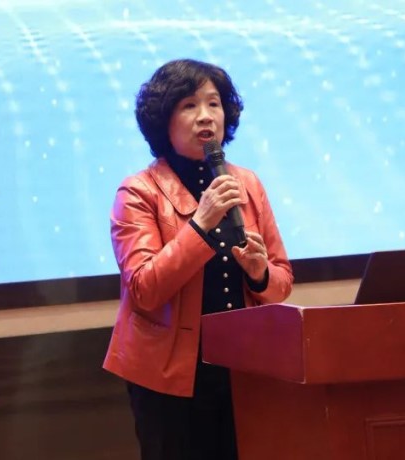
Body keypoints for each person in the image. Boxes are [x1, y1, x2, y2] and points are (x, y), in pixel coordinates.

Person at [102, 58, 294, 460]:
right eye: (189, 105)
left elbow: (281, 283)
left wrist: (259, 276)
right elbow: (144, 289)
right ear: (163, 121)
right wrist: (200, 225)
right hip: (168, 378)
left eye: (214, 103)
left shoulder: (247, 183)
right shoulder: (138, 192)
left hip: (243, 369)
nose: (206, 116)